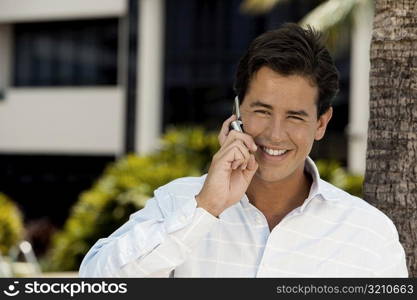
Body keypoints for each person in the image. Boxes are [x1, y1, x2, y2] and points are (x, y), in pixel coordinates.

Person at [79, 23, 408, 277]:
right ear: (237, 112)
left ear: (321, 123)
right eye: (262, 111)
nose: (275, 134)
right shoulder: (178, 203)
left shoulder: (369, 233)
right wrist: (206, 208)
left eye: (295, 116)